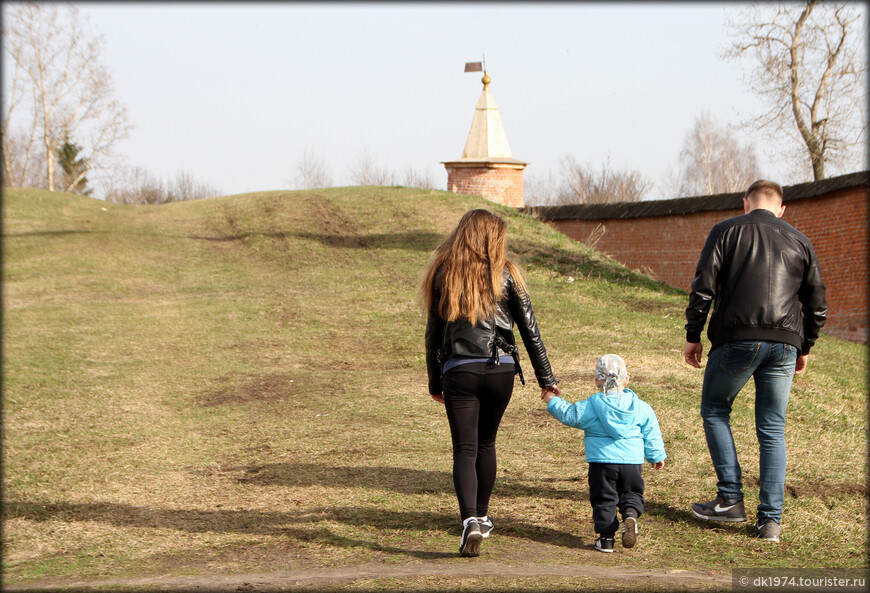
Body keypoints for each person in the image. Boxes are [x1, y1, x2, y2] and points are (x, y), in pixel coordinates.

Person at [684, 179, 827, 543]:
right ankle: (770, 523)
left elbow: (703, 287)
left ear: (746, 203)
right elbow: (817, 305)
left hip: (737, 338)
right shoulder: (800, 240)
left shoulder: (725, 231)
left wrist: (693, 335)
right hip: (785, 344)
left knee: (715, 410)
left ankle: (730, 498)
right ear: (781, 209)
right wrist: (805, 346)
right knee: (773, 427)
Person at [423, 208, 561, 557]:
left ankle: (469, 520)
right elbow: (531, 331)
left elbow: (433, 334)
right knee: (487, 443)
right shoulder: (508, 274)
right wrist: (547, 379)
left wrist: (434, 380)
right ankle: (483, 516)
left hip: (460, 370)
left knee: (465, 449)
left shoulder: (444, 273)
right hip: (501, 370)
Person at [541, 354, 666, 553]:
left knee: (604, 498)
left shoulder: (592, 405)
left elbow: (569, 414)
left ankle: (606, 538)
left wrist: (551, 400)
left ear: (596, 381)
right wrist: (656, 455)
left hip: (602, 462)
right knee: (632, 493)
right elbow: (651, 431)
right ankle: (630, 515)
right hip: (631, 462)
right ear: (627, 379)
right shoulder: (641, 407)